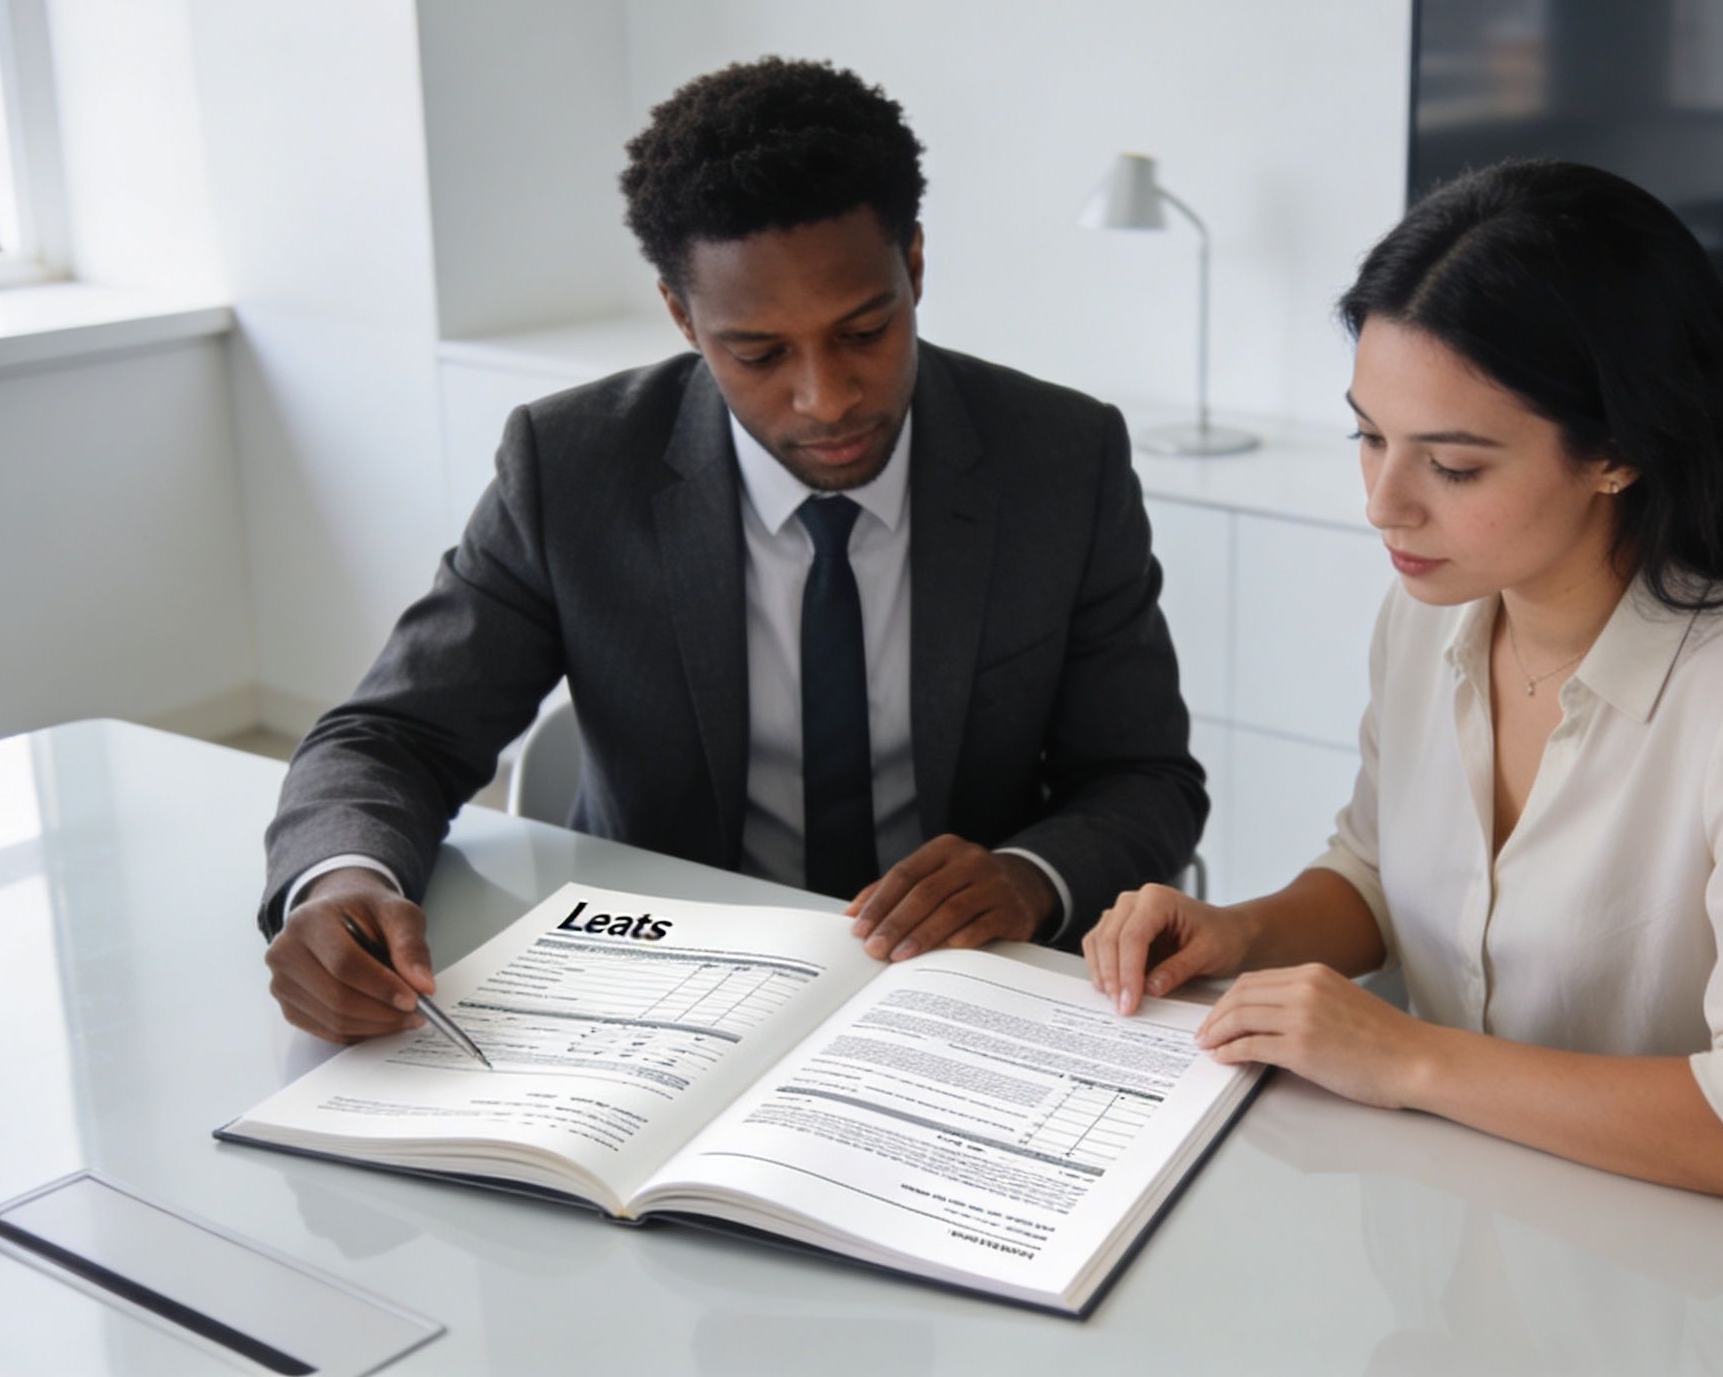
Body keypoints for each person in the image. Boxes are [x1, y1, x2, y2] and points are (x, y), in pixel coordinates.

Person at [261, 58, 1205, 1044]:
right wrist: (337, 888)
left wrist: (1026, 877)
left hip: (957, 998)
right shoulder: (573, 467)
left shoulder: (1059, 459)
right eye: (758, 354)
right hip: (661, 991)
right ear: (682, 317)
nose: (825, 398)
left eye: (865, 330)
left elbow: (1144, 777)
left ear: (913, 267)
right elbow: (392, 738)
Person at [1087, 159, 1723, 1223]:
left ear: (1617, 451)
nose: (1383, 505)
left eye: (1453, 466)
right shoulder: (1431, 610)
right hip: (1485, 1206)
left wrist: (1406, 1060)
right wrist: (1242, 934)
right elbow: (1380, 868)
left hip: (1719, 1263)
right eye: (1368, 435)